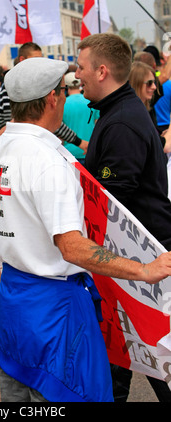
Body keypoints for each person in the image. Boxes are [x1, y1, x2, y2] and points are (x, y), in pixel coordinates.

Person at [0, 56, 171, 403]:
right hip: (55, 309)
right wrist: (143, 270)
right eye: (64, 90)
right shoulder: (48, 161)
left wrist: (9, 133)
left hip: (14, 303)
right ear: (51, 98)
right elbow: (72, 247)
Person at [75, 33, 171, 402]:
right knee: (134, 352)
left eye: (81, 67)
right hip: (139, 253)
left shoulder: (120, 123)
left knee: (148, 350)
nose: (76, 75)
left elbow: (113, 200)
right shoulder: (119, 113)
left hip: (141, 255)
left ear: (102, 71)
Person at [0, 42, 89, 154]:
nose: (39, 63)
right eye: (36, 58)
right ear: (22, 59)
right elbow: (40, 118)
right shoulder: (13, 84)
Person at [62, 72, 99, 164]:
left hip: (68, 153)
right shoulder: (91, 102)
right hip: (89, 150)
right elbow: (98, 126)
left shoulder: (62, 104)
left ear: (66, 86)